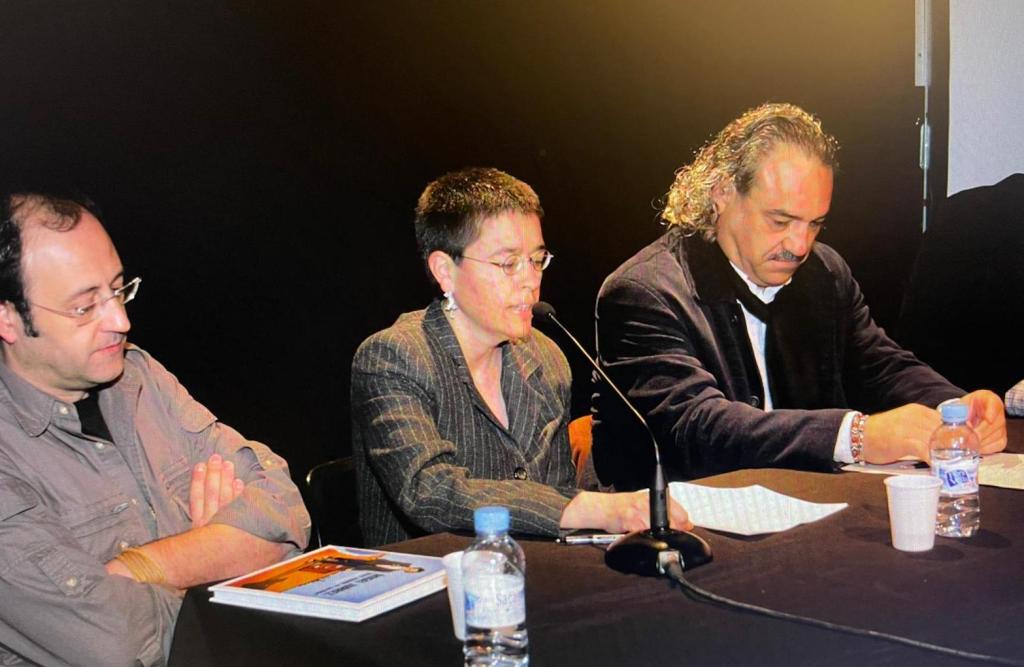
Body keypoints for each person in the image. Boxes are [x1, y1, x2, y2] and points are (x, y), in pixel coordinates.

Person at [592, 103, 1007, 491]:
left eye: (815, 224)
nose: (800, 245)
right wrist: (856, 436)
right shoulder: (644, 292)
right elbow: (696, 428)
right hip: (685, 521)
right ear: (721, 192)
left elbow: (879, 365)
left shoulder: (824, 274)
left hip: (807, 507)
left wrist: (956, 406)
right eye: (780, 220)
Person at [0, 190, 310, 666]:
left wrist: (139, 566)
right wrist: (221, 554)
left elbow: (286, 510)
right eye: (84, 307)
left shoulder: (139, 376)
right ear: (7, 318)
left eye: (118, 289)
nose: (120, 320)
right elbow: (113, 642)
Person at [351, 167, 691, 546]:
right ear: (445, 271)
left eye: (537, 259)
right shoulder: (393, 358)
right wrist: (586, 508)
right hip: (430, 573)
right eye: (509, 263)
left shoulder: (546, 357)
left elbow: (557, 489)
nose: (531, 280)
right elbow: (429, 491)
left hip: (534, 567)